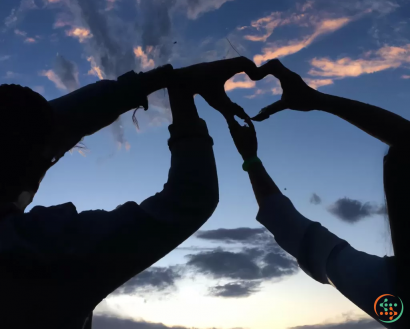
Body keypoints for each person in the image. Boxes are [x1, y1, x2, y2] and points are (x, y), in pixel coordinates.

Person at [0, 57, 260, 329]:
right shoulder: (41, 249)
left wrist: (164, 78)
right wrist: (178, 90)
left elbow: (52, 124)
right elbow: (191, 195)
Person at [225, 59, 409, 329]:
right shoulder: (391, 293)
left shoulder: (394, 297)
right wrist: (316, 99)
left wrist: (250, 158)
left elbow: (293, 229)